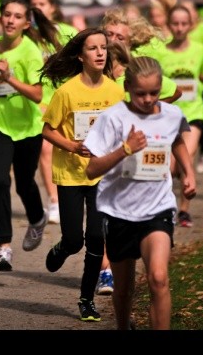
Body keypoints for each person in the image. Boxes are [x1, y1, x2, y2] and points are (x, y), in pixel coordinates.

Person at [83, 56, 196, 330]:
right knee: (123, 290)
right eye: (140, 93)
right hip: (120, 211)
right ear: (127, 87)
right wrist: (125, 149)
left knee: (158, 278)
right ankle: (123, 326)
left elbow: (178, 139)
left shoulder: (171, 115)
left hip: (157, 209)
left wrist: (189, 172)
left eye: (154, 93)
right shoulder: (113, 118)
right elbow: (91, 170)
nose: (147, 99)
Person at [96, 6, 183, 295]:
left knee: (156, 276)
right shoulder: (94, 68)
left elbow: (174, 96)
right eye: (109, 34)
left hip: (138, 159)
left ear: (130, 42)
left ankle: (107, 272)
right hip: (102, 151)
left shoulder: (138, 74)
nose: (113, 40)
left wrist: (150, 114)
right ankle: (106, 270)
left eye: (120, 36)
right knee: (102, 210)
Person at [41, 28, 124, 322]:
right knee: (75, 238)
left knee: (96, 237)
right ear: (80, 55)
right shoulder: (67, 92)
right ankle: (63, 247)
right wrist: (73, 146)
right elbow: (48, 130)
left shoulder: (115, 91)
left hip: (102, 175)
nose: (100, 53)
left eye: (104, 48)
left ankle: (86, 300)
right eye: (93, 48)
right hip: (71, 175)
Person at [0, 0, 59, 272]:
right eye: (7, 15)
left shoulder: (30, 52)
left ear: (26, 23)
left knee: (24, 183)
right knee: (0, 180)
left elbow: (37, 94)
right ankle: (4, 248)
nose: (11, 20)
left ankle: (37, 218)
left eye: (17, 16)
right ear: (0, 19)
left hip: (28, 127)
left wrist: (10, 78)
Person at [157, 4, 203, 228]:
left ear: (190, 25)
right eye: (175, 23)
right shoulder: (160, 51)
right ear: (168, 25)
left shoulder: (200, 49)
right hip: (167, 115)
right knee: (170, 168)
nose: (180, 28)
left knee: (186, 158)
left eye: (184, 23)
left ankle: (184, 210)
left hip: (194, 113)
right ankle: (167, 205)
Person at [30, 0, 79, 224]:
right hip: (42, 102)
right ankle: (54, 200)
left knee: (72, 149)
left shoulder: (69, 33)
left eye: (42, 3)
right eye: (34, 4)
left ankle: (76, 196)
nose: (38, 8)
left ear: (52, 7)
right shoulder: (29, 36)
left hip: (69, 100)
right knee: (46, 150)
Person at [181, 0, 203, 174]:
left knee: (198, 121)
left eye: (189, 11)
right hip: (182, 89)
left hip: (201, 86)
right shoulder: (177, 33)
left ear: (195, 13)